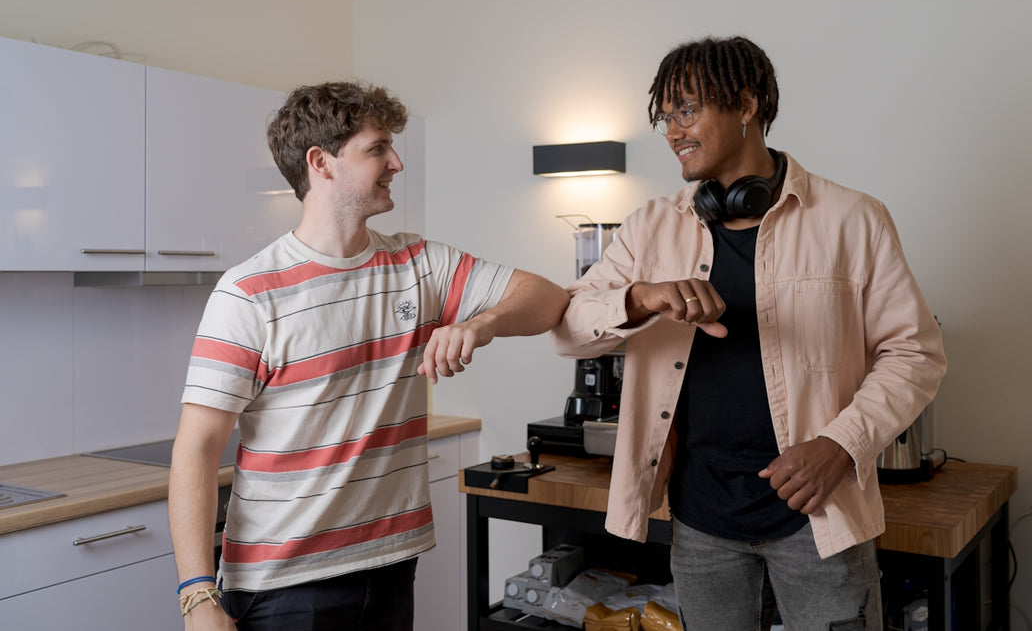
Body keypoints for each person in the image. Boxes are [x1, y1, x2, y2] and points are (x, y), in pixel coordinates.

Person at [550, 36, 946, 631]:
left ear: (746, 104)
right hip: (700, 523)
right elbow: (568, 330)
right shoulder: (650, 227)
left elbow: (914, 354)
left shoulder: (853, 219)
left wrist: (841, 445)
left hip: (819, 517)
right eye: (665, 116)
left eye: (687, 109)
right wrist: (640, 298)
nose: (672, 131)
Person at [168, 80, 569, 630]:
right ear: (321, 163)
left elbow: (547, 300)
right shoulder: (249, 294)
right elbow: (196, 450)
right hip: (285, 585)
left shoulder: (419, 264)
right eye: (378, 148)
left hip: (388, 566)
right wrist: (196, 597)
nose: (396, 162)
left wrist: (482, 323)